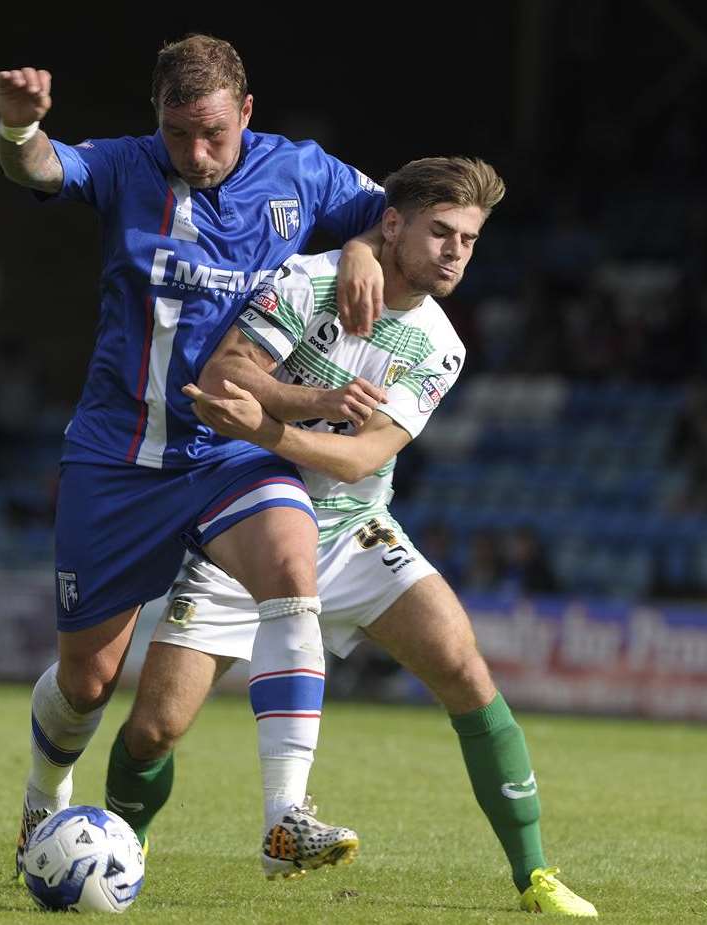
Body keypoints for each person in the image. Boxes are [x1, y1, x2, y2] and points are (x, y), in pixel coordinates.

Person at [104, 157, 598, 915]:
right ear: (391, 224)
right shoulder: (309, 281)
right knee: (153, 729)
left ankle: (533, 874)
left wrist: (269, 425)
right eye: (440, 231)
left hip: (353, 528)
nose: (455, 251)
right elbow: (229, 370)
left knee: (465, 670)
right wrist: (305, 402)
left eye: (468, 238)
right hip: (245, 527)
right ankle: (117, 851)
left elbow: (364, 454)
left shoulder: (439, 344)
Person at [0, 34, 392, 875]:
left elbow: (385, 212)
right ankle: (41, 800)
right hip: (117, 459)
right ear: (157, 122)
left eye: (213, 132)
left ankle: (286, 814)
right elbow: (40, 168)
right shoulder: (126, 167)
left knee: (292, 567)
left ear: (247, 112)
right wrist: (18, 130)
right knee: (87, 685)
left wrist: (358, 246)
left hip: (230, 451)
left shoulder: (301, 170)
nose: (197, 152)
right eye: (180, 134)